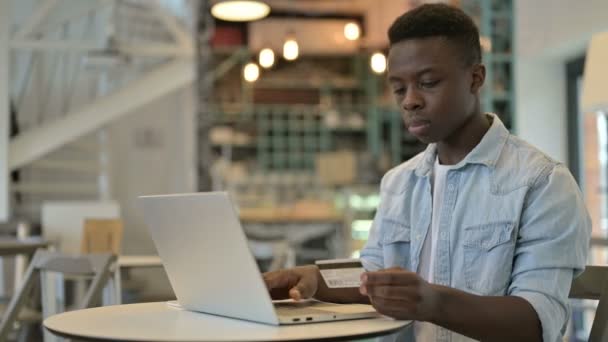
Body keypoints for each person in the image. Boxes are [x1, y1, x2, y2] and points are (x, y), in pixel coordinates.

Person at [263, 3, 591, 342]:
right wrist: (316, 280)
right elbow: (373, 275)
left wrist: (432, 302)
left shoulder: (542, 183)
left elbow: (537, 323)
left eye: (428, 82)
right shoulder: (399, 182)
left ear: (475, 78)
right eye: (399, 88)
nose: (410, 101)